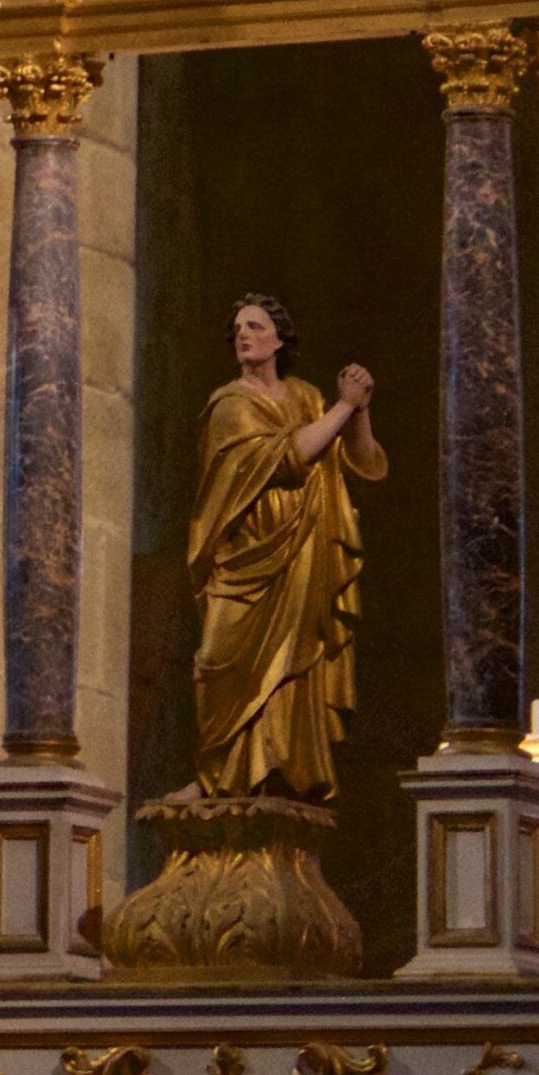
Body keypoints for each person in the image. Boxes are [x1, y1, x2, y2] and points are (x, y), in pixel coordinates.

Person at [183, 293, 384, 800]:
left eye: (254, 326)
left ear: (279, 339)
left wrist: (359, 410)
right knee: (217, 661)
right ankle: (217, 775)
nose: (243, 336)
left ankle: (281, 776)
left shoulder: (306, 397)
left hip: (302, 558)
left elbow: (365, 462)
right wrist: (344, 405)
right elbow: (289, 456)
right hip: (244, 559)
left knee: (294, 671)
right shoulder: (230, 404)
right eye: (237, 330)